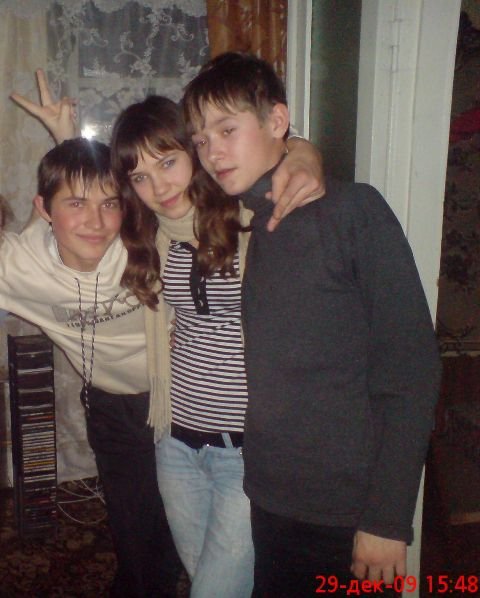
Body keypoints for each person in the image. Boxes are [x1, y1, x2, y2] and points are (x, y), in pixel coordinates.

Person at [8, 69, 325, 597]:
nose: (95, 221)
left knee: (218, 578)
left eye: (169, 162)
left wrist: (302, 151)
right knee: (148, 550)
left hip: (226, 431)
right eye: (139, 179)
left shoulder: (210, 224)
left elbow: (270, 157)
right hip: (152, 420)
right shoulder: (129, 241)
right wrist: (66, 141)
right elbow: (86, 190)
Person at [182, 52, 442, 597]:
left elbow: (410, 373)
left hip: (349, 512)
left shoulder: (353, 212)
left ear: (277, 120)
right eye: (201, 140)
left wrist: (387, 518)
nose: (212, 152)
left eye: (227, 129)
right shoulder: (247, 224)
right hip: (270, 496)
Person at [0, 138, 182, 598]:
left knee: (184, 522)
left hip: (183, 399)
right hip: (111, 407)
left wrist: (299, 151)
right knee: (131, 523)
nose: (96, 222)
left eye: (109, 204)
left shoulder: (149, 241)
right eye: (76, 204)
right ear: (44, 209)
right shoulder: (18, 266)